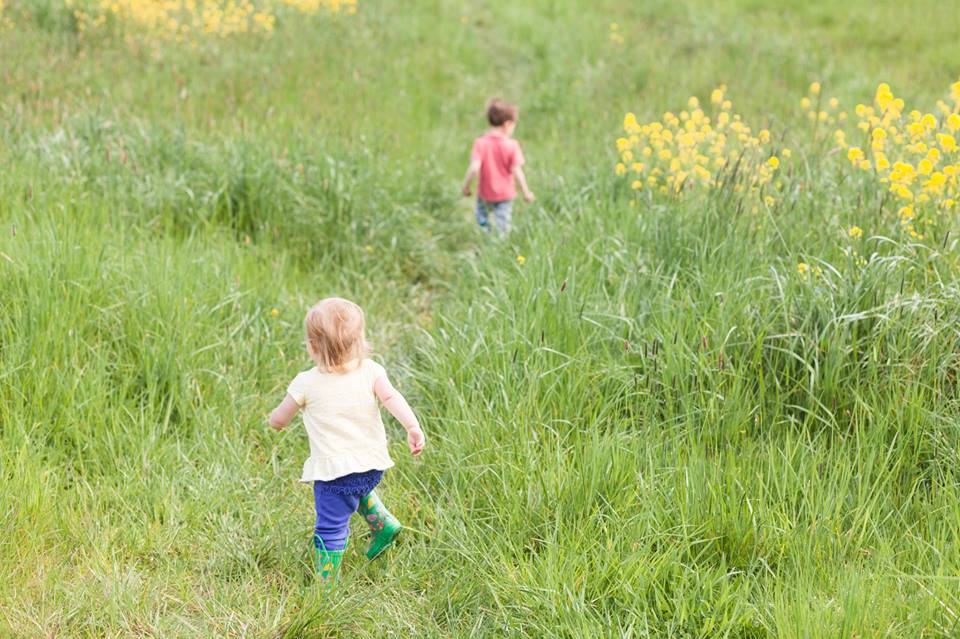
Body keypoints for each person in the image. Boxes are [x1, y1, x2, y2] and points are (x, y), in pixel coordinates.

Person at [268, 298, 425, 583]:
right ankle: (383, 524)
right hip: (372, 465)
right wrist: (412, 426)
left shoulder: (305, 382)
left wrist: (273, 421)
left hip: (335, 473)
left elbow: (280, 418)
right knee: (355, 486)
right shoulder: (371, 371)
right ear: (359, 340)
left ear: (312, 346)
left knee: (330, 527)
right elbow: (391, 397)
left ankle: (325, 589)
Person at [461, 98, 535, 234]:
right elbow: (517, 171)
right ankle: (501, 246)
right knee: (503, 224)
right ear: (507, 124)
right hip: (505, 195)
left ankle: (485, 237)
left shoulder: (480, 143)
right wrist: (526, 192)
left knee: (481, 217)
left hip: (484, 193)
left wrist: (466, 186)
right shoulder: (511, 145)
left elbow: (474, 168)